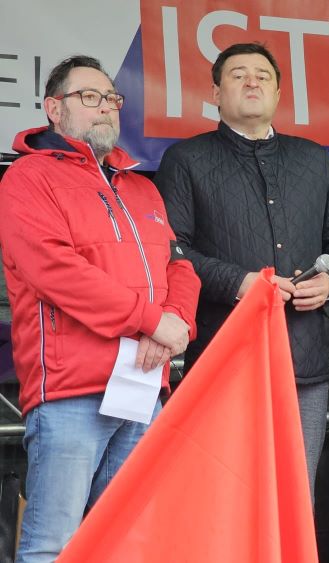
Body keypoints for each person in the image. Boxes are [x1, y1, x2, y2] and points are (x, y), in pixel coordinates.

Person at [0, 55, 200, 562]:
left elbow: (182, 268)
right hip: (72, 391)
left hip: (143, 386)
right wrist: (152, 321)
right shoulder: (28, 178)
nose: (106, 108)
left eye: (111, 98)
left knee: (129, 546)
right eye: (89, 97)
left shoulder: (142, 187)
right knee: (53, 546)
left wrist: (171, 325)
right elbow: (55, 272)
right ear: (53, 109)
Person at [155, 43, 329, 497]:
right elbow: (172, 250)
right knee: (223, 500)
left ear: (279, 93)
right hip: (222, 358)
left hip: (302, 362)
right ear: (214, 92)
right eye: (238, 75)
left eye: (263, 76)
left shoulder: (312, 158)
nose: (252, 82)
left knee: (294, 498)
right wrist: (238, 283)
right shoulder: (186, 160)